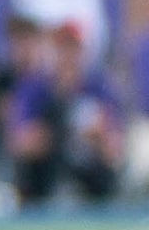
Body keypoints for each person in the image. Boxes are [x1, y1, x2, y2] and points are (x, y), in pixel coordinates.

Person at [7, 20, 124, 206]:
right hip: (46, 178)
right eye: (62, 48)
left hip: (89, 179)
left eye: (73, 48)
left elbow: (114, 149)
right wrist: (60, 130)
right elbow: (20, 142)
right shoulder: (36, 88)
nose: (68, 56)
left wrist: (98, 135)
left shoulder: (99, 87)